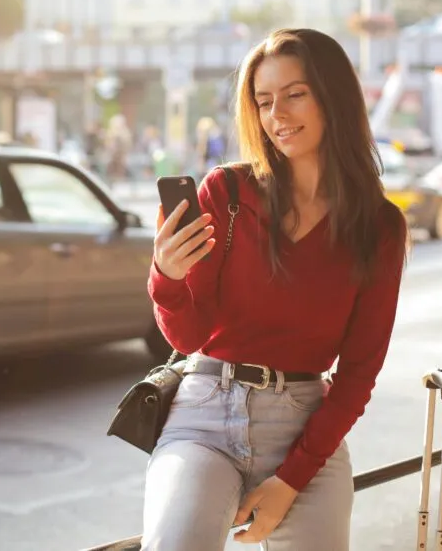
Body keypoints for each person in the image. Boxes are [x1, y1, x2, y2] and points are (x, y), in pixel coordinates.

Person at [143, 28, 409, 550]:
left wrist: (291, 481)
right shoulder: (229, 191)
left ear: (333, 95)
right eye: (264, 101)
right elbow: (191, 335)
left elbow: (359, 371)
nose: (277, 115)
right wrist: (167, 278)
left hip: (306, 424)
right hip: (206, 412)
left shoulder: (379, 226)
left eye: (295, 94)